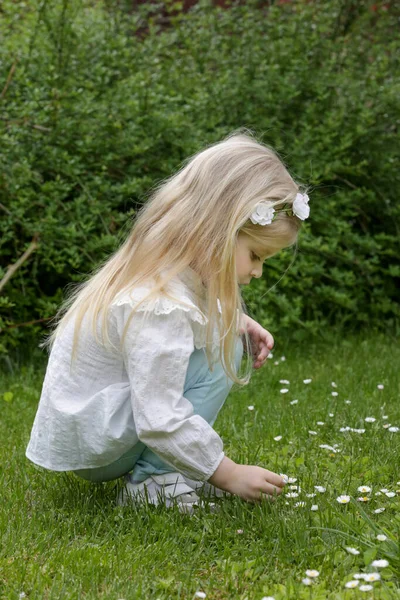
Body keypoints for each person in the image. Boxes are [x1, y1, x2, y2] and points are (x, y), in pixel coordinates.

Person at [25, 130, 310, 513]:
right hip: (100, 446)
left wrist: (235, 320)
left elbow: (189, 312)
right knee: (218, 354)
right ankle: (153, 483)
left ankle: (171, 470)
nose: (257, 271)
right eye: (255, 255)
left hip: (96, 432)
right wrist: (226, 472)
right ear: (217, 233)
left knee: (225, 340)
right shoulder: (159, 303)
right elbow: (158, 416)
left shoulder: (161, 271)